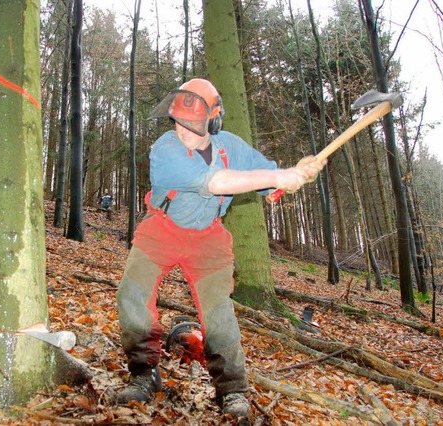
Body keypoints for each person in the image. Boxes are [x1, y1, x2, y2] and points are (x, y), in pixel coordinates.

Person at [115, 78, 325, 422]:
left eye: (194, 125)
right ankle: (144, 373)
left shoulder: (231, 146)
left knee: (218, 313)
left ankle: (232, 390)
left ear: (213, 120)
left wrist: (297, 174)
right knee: (131, 294)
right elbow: (217, 183)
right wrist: (283, 176)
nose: (184, 132)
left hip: (209, 237)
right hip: (162, 228)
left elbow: (268, 176)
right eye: (180, 123)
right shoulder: (165, 150)